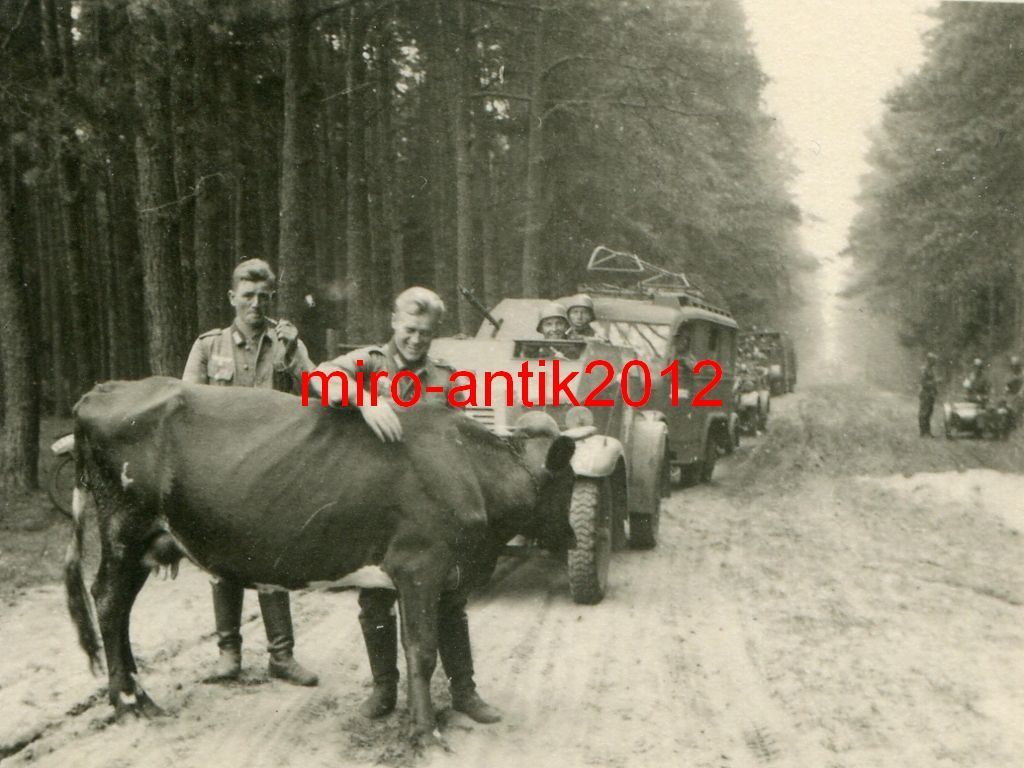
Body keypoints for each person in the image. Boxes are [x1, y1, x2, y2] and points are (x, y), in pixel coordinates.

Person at [308, 286, 501, 724]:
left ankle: (464, 691)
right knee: (376, 601)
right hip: (377, 514)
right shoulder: (368, 363)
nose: (416, 339)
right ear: (394, 322)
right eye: (410, 329)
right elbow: (318, 378)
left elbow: (460, 442)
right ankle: (384, 689)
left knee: (450, 600)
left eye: (426, 333)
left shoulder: (447, 378)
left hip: (433, 516)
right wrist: (365, 399)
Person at [182, 258, 319, 686]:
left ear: (272, 298)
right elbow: (184, 406)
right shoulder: (208, 346)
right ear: (232, 298)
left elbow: (316, 390)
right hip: (219, 475)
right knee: (221, 561)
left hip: (272, 474)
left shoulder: (286, 344)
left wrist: (294, 352)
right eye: (248, 296)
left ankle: (282, 656)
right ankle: (229, 654)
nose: (256, 305)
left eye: (264, 297)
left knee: (273, 561)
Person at [918, 352, 939, 437]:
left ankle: (927, 431)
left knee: (929, 412)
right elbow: (923, 383)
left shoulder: (931, 370)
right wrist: (935, 382)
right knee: (924, 413)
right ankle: (922, 432)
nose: (935, 362)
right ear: (929, 360)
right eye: (933, 360)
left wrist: (935, 389)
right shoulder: (924, 370)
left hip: (930, 394)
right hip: (925, 394)